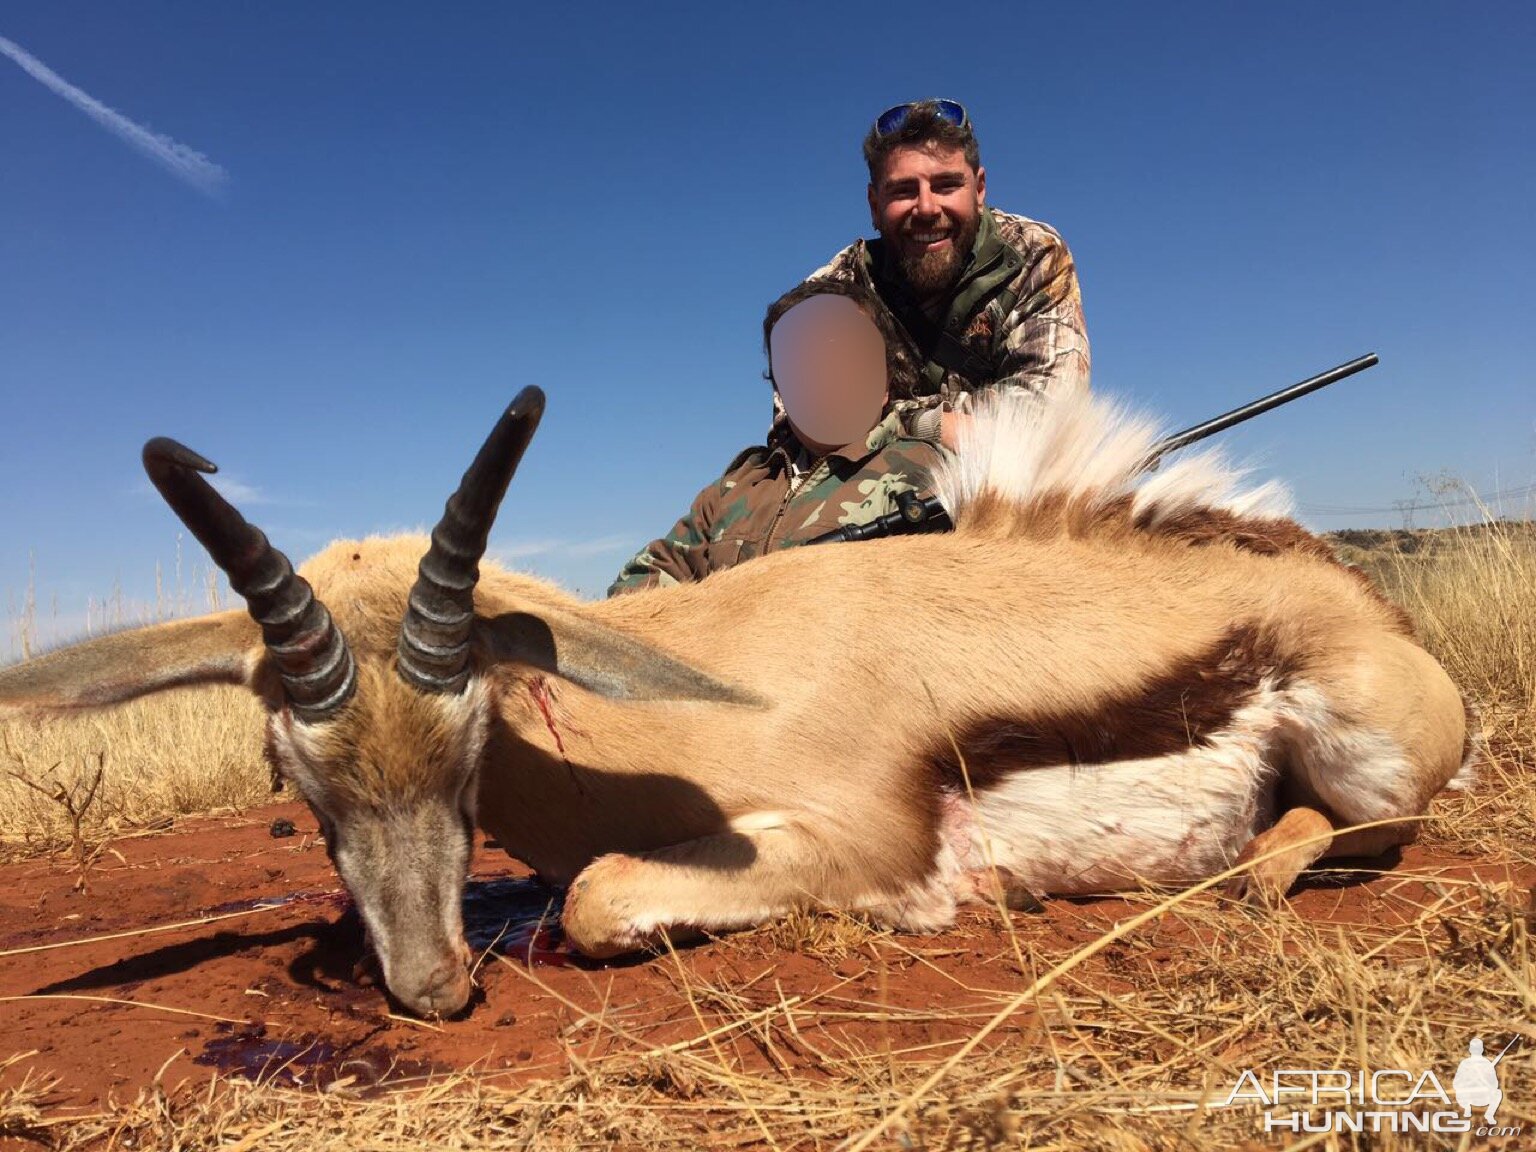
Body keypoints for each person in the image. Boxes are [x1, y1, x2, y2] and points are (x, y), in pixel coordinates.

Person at [778, 98, 1090, 451]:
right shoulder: (835, 290)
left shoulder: (1035, 254)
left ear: (979, 190)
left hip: (1002, 488)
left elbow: (1049, 419)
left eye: (946, 185)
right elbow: (807, 423)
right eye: (903, 190)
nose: (926, 208)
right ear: (875, 206)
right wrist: (949, 427)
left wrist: (904, 422)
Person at [609, 279, 943, 596]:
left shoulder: (928, 472)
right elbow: (649, 576)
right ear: (780, 387)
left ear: (885, 383)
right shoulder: (737, 486)